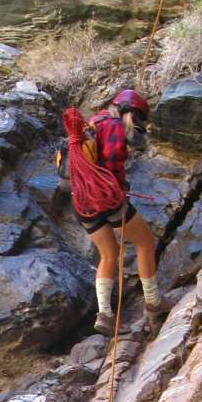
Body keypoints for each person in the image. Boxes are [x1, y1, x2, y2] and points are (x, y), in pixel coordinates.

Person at [60, 88, 162, 334]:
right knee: (145, 242)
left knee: (109, 254)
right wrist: (120, 187)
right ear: (130, 113)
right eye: (138, 120)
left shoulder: (92, 124)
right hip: (106, 198)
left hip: (82, 202)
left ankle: (105, 316)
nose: (137, 127)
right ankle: (153, 303)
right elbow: (113, 161)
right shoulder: (113, 126)